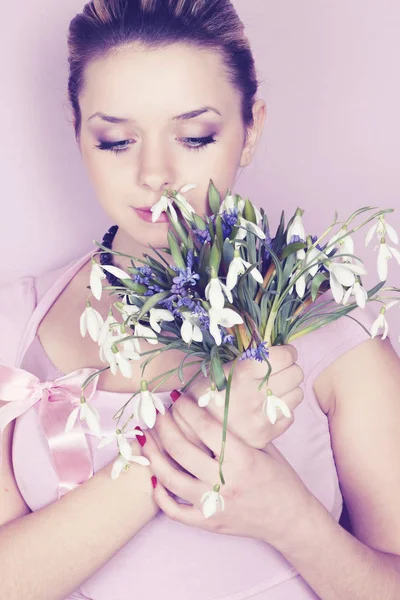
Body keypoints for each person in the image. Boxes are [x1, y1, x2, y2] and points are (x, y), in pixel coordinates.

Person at [0, 0, 400, 598]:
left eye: (194, 136)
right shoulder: (15, 322)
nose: (155, 173)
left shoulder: (335, 333)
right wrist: (200, 437)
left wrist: (290, 517)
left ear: (250, 130)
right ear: (78, 133)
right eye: (114, 140)